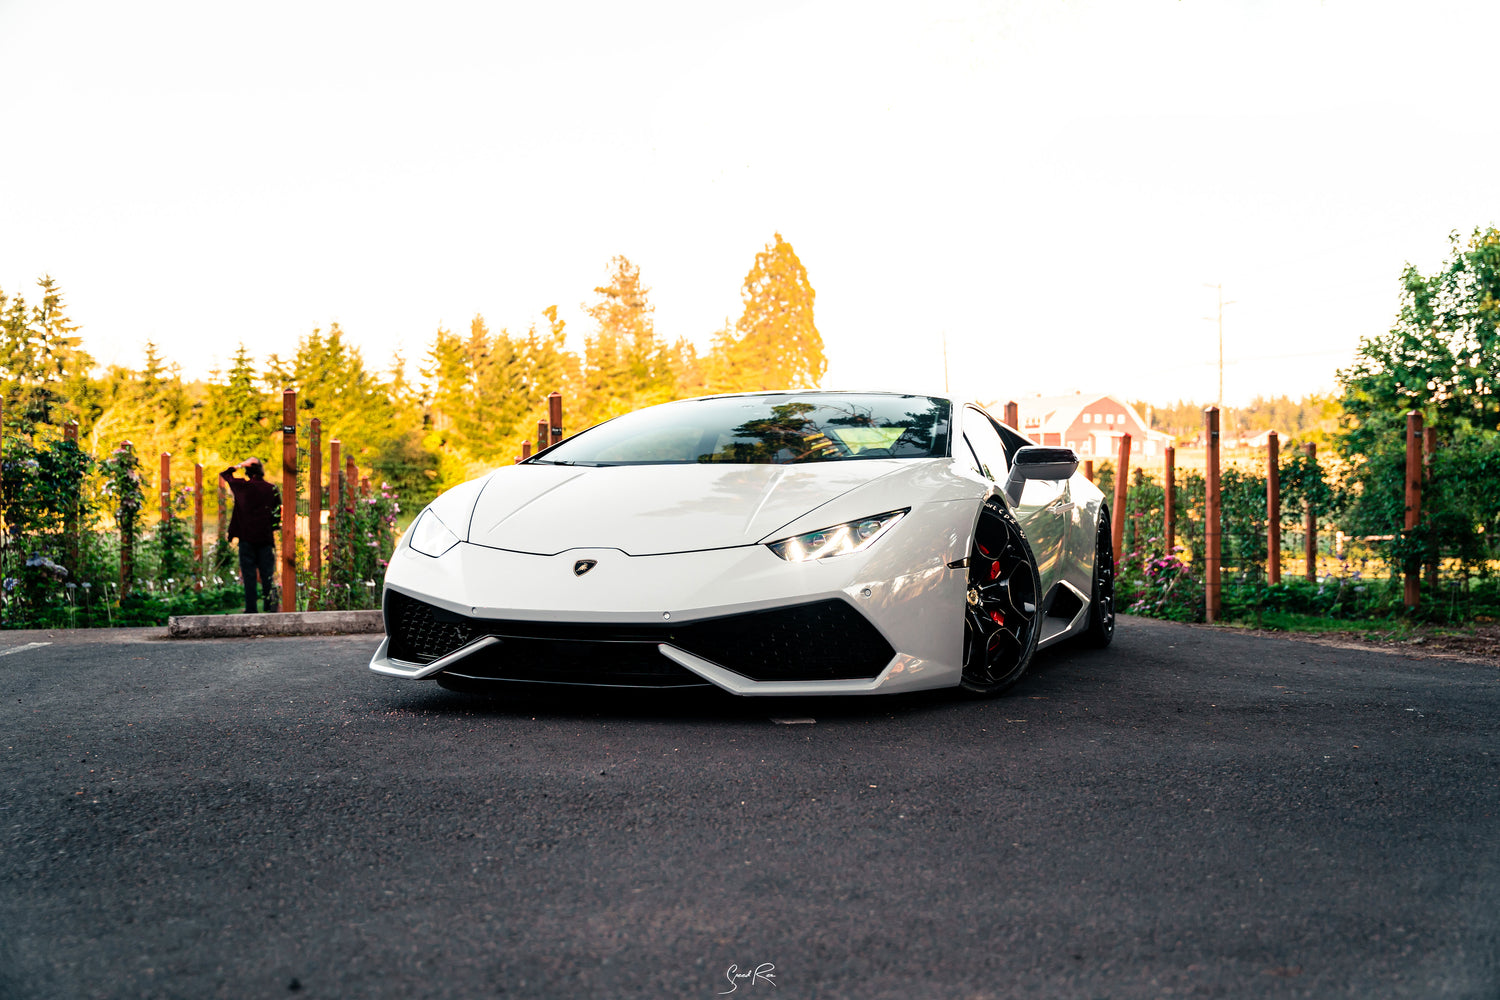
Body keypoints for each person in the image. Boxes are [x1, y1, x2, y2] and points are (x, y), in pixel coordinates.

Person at [220, 457, 280, 614]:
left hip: (246, 537)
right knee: (267, 574)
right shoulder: (271, 489)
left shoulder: (242, 487)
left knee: (249, 575)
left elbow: (225, 474)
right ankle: (270, 606)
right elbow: (277, 515)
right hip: (265, 537)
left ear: (247, 471)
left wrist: (238, 465)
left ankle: (251, 608)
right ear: (261, 470)